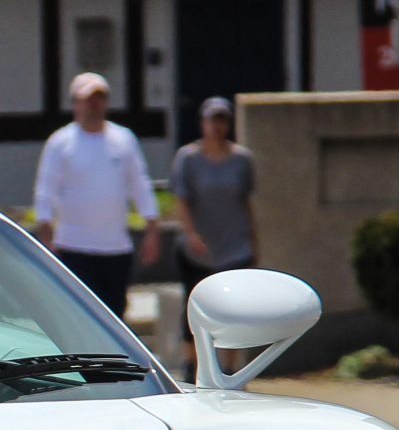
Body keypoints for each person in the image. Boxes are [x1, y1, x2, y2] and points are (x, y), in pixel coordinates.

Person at [31, 72, 162, 320]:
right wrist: (45, 234)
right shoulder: (60, 143)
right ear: (75, 103)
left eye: (99, 99)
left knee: (115, 315)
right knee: (81, 316)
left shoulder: (124, 139)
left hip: (115, 248)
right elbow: (45, 190)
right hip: (73, 247)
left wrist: (152, 229)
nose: (93, 105)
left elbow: (139, 184)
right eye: (87, 99)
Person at [168, 96, 259, 370]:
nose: (217, 126)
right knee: (195, 307)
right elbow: (181, 201)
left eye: (222, 120)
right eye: (212, 120)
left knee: (233, 310)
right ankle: (191, 368)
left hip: (234, 246)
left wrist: (254, 241)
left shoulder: (242, 160)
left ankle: (230, 371)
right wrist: (191, 234)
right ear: (202, 123)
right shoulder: (188, 158)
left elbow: (246, 201)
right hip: (199, 249)